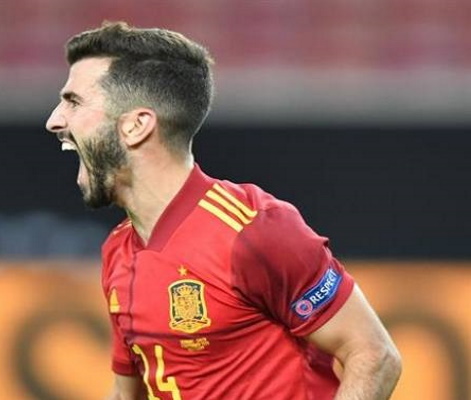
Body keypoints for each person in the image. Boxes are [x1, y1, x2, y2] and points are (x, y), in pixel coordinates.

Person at [45, 22, 401, 400]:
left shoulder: (253, 230)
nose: (54, 120)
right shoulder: (118, 251)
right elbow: (125, 394)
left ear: (137, 126)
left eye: (74, 102)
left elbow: (374, 356)